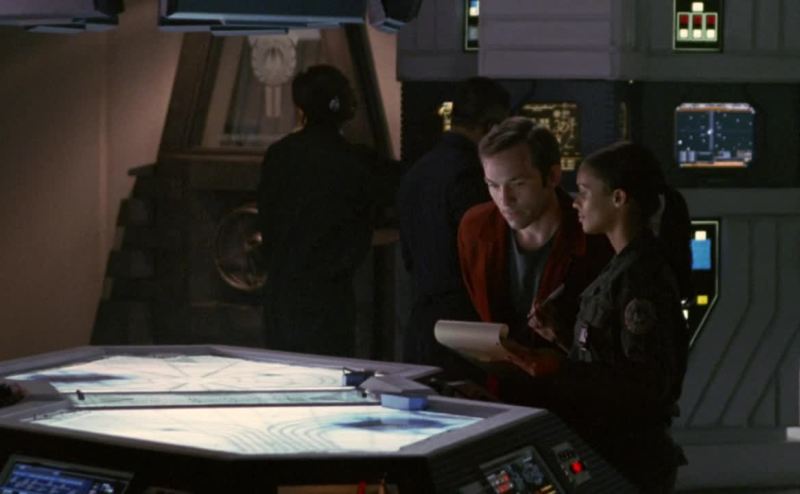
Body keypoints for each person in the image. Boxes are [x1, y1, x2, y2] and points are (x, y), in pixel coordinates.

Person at [507, 141, 691, 493]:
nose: (575, 202)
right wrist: (561, 337)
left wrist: (560, 368)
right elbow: (609, 358)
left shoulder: (640, 278)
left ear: (618, 198)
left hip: (630, 456)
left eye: (585, 192)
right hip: (609, 447)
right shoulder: (621, 267)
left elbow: (643, 385)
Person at [458, 117, 612, 355]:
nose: (504, 200)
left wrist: (563, 336)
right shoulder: (476, 227)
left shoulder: (593, 237)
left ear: (552, 176)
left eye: (517, 184)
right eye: (493, 185)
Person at [257, 65, 375, 357]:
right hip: (329, 298)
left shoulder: (279, 154)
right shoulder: (353, 160)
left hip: (282, 293)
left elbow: (267, 221)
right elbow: (362, 228)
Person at [397, 77, 510, 373]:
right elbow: (484, 255)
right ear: (491, 127)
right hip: (464, 328)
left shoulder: (419, 170)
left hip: (421, 321)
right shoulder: (473, 176)